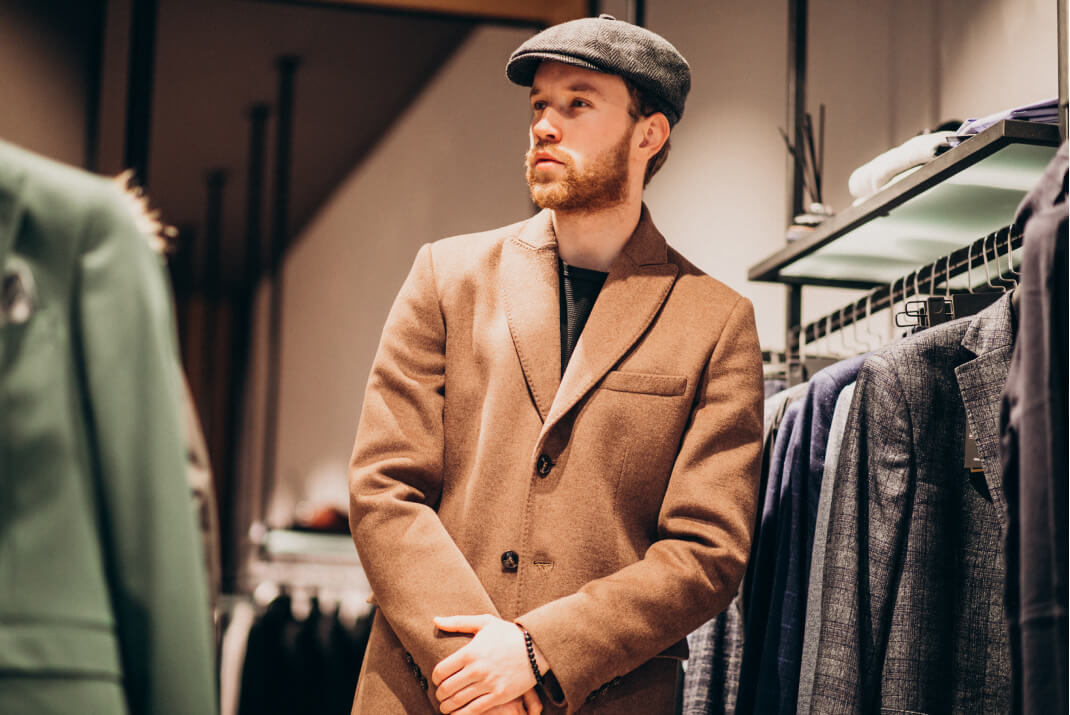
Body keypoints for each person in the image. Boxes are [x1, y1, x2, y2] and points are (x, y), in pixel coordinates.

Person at [348, 14, 764, 714]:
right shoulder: (446, 278)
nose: (545, 124)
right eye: (540, 104)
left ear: (649, 134)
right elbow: (383, 488)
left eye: (578, 104)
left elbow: (707, 549)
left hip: (604, 694)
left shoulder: (715, 321)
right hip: (427, 687)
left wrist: (540, 652)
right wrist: (473, 668)